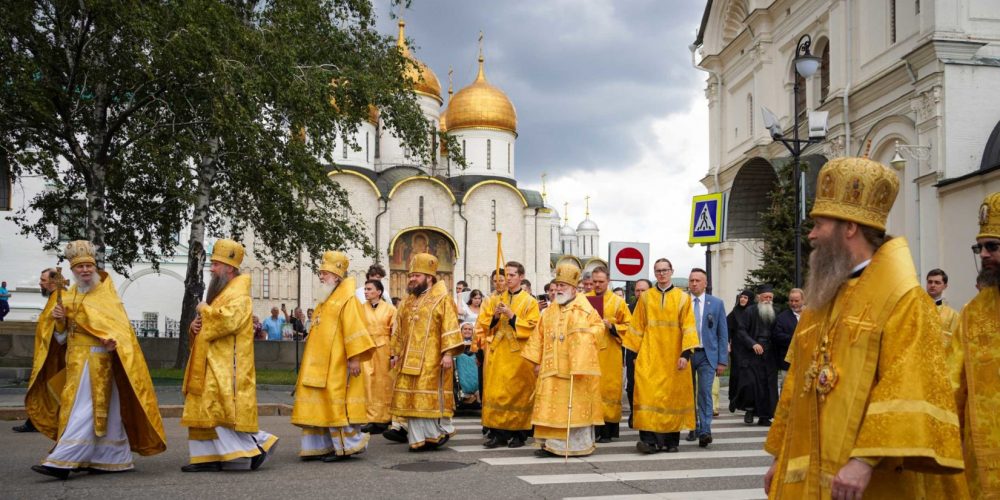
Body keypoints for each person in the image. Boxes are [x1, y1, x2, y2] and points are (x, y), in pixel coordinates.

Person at [764, 156, 964, 498]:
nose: (810, 234)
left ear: (850, 227)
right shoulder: (821, 300)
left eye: (819, 224)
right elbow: (798, 381)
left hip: (868, 479)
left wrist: (864, 460)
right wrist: (779, 457)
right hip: (808, 474)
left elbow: (909, 383)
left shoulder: (903, 299)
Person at [31, 240, 165, 480]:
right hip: (75, 362)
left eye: (88, 266)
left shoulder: (106, 296)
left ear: (94, 268)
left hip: (100, 363)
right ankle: (111, 459)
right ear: (72, 271)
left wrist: (111, 341)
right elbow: (61, 339)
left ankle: (62, 460)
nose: (85, 271)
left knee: (85, 410)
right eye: (80, 267)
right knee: (97, 412)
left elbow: (119, 331)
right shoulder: (67, 296)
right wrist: (59, 320)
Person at [181, 239, 277, 472]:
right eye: (212, 263)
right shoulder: (222, 293)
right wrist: (194, 326)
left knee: (219, 410)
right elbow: (208, 324)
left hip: (227, 363)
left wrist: (203, 309)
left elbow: (226, 322)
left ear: (229, 269)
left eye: (215, 264)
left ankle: (257, 445)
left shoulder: (239, 296)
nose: (211, 268)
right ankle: (209, 457)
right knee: (205, 408)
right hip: (210, 359)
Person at [292, 251, 376, 461]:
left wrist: (354, 358)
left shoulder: (347, 299)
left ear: (337, 276)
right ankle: (320, 446)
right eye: (320, 272)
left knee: (335, 402)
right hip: (318, 362)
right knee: (321, 403)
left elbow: (354, 328)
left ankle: (346, 446)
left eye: (324, 273)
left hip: (337, 361)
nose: (320, 276)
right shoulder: (325, 299)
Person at [522, 263, 603, 457]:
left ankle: (573, 445)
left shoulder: (585, 310)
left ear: (574, 288)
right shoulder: (549, 311)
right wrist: (537, 361)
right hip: (550, 368)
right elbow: (538, 336)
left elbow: (599, 330)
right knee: (550, 408)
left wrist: (582, 337)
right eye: (557, 285)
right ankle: (550, 444)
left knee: (572, 409)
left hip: (575, 369)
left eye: (563, 286)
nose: (558, 289)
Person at [950, 192, 1000, 498]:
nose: (983, 254)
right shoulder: (973, 312)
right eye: (979, 247)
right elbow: (952, 383)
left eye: (992, 246)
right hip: (980, 460)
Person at [389, 253, 464, 451]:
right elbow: (399, 328)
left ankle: (434, 433)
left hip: (432, 358)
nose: (412, 279)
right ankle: (418, 438)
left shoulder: (442, 299)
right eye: (411, 275)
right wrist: (395, 353)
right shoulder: (406, 301)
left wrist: (448, 353)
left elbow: (449, 325)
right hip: (407, 358)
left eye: (417, 276)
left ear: (429, 277)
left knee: (427, 397)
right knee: (412, 399)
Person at [625, 258, 698, 454]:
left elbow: (689, 327)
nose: (661, 274)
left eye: (665, 270)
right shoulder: (646, 297)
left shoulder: (682, 298)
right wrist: (634, 353)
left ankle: (671, 442)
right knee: (648, 395)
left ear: (671, 271)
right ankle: (648, 441)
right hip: (650, 354)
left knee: (671, 398)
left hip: (674, 355)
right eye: (658, 271)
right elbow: (637, 326)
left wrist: (685, 354)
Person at [476, 261, 539, 449]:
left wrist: (512, 316)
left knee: (517, 393)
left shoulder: (530, 302)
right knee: (496, 392)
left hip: (519, 355)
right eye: (507, 275)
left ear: (521, 277)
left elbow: (534, 327)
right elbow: (484, 324)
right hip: (498, 352)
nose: (509, 279)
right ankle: (497, 433)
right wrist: (495, 316)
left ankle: (519, 434)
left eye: (512, 275)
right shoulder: (494, 299)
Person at [586, 266, 632, 443]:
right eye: (595, 282)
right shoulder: (584, 300)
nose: (597, 285)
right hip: (589, 351)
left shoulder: (618, 302)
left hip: (610, 352)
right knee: (590, 389)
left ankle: (608, 430)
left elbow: (629, 326)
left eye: (601, 282)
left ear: (608, 281)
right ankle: (590, 428)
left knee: (608, 389)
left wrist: (612, 326)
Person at [19, 268, 66, 434]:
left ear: (54, 282)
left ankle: (42, 421)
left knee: (49, 391)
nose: (40, 282)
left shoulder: (61, 298)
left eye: (43, 280)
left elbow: (61, 328)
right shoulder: (53, 298)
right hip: (46, 354)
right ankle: (35, 421)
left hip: (54, 357)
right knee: (43, 390)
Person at [686, 268, 728, 448]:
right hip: (687, 354)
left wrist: (722, 360)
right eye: (691, 280)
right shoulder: (683, 302)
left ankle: (705, 429)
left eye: (697, 281)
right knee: (688, 393)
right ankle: (691, 426)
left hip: (707, 355)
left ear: (705, 284)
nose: (694, 283)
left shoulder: (716, 304)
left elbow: (722, 333)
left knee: (704, 392)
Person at [731, 284, 779, 426]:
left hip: (769, 354)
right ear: (759, 297)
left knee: (768, 386)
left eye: (770, 297)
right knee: (751, 384)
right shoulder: (750, 311)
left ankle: (765, 416)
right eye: (765, 297)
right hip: (752, 354)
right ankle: (750, 410)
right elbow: (741, 331)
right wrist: (752, 343)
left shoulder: (775, 311)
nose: (768, 300)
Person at [360, 279, 396, 435]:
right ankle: (370, 417)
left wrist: (394, 353)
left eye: (369, 289)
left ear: (379, 292)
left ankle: (385, 417)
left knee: (384, 383)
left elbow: (394, 332)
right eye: (365, 289)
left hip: (384, 348)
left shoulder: (390, 309)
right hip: (366, 347)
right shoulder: (360, 309)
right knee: (368, 382)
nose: (366, 292)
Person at [624, 278, 651, 427]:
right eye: (638, 290)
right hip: (633, 352)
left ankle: (646, 414)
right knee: (632, 385)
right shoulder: (630, 308)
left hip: (651, 352)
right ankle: (635, 413)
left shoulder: (654, 307)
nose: (640, 294)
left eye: (643, 290)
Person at [770, 288, 802, 394]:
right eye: (791, 301)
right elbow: (777, 336)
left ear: (803, 300)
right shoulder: (782, 318)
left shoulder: (810, 315)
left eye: (796, 301)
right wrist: (795, 338)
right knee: (788, 390)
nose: (793, 303)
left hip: (807, 360)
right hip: (788, 362)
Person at [726, 289, 753, 413]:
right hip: (737, 349)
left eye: (746, 298)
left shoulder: (753, 312)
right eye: (742, 297)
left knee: (747, 376)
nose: (743, 299)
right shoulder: (734, 313)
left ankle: (746, 403)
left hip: (750, 348)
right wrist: (727, 343)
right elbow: (727, 329)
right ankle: (733, 399)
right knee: (736, 374)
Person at [926, 269, 959, 346]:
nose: (932, 285)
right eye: (930, 282)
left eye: (937, 283)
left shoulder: (953, 314)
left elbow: (956, 340)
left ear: (945, 286)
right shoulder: (916, 307)